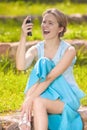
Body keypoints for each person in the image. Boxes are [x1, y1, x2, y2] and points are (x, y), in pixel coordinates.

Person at [16, 8, 85, 130]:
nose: (45, 26)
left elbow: (51, 77)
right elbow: (21, 66)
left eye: (50, 23)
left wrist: (29, 98)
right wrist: (23, 36)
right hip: (46, 96)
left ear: (60, 29)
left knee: (44, 63)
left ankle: (25, 116)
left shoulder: (69, 50)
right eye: (44, 22)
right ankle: (27, 113)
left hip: (66, 98)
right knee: (38, 102)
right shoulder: (37, 48)